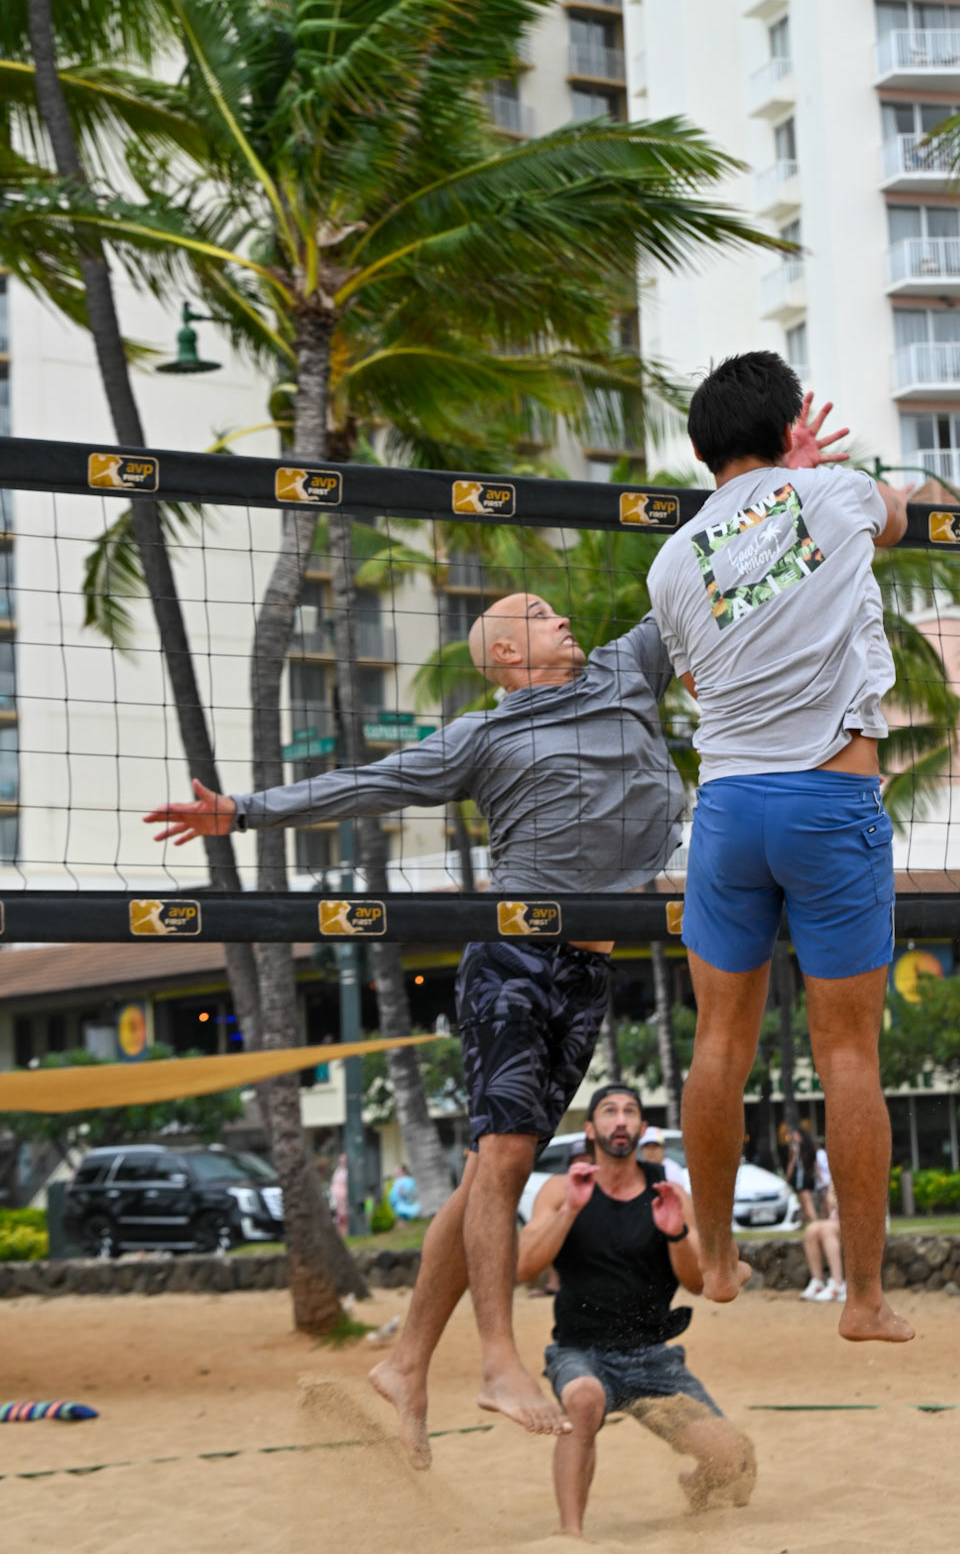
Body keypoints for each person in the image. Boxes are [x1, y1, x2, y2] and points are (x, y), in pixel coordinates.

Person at [144, 590, 688, 1457]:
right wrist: (243, 811)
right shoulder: (484, 735)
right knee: (505, 1159)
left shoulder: (626, 666)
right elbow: (366, 784)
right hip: (513, 956)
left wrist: (785, 481)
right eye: (541, 614)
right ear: (507, 655)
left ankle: (404, 1362)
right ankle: (497, 1360)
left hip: (588, 969)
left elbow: (708, 571)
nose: (562, 617)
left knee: (484, 1179)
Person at [646, 354, 915, 1345]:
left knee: (720, 1041)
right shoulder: (834, 493)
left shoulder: (670, 560)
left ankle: (716, 1260)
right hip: (830, 799)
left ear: (701, 445)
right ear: (798, 419)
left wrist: (773, 497)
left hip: (726, 805)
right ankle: (863, 1297)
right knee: (849, 1050)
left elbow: (698, 679)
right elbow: (898, 511)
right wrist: (811, 476)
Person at [517, 1083, 756, 1536]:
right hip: (580, 1351)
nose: (621, 1120)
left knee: (731, 1459)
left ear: (643, 1129)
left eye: (630, 1112)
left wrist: (674, 1233)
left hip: (652, 1357)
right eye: (609, 1111)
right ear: (591, 1130)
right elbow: (524, 1266)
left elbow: (694, 1282)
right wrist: (570, 1209)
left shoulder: (669, 1193)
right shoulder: (559, 1188)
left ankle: (696, 1488)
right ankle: (571, 1535)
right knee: (584, 1401)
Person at [801, 1187, 843, 1302]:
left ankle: (838, 1283)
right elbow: (831, 1197)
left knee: (827, 1230)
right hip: (837, 1219)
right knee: (811, 1229)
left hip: (858, 1220)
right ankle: (817, 1282)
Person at [781, 1120, 819, 1223]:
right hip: (810, 1178)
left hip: (801, 1178)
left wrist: (787, 1179)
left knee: (807, 1202)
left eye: (795, 1136)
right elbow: (816, 1165)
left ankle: (815, 1223)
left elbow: (791, 1165)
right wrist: (819, 1178)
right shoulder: (811, 1148)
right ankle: (802, 1223)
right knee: (803, 1202)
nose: (794, 1138)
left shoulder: (796, 1149)